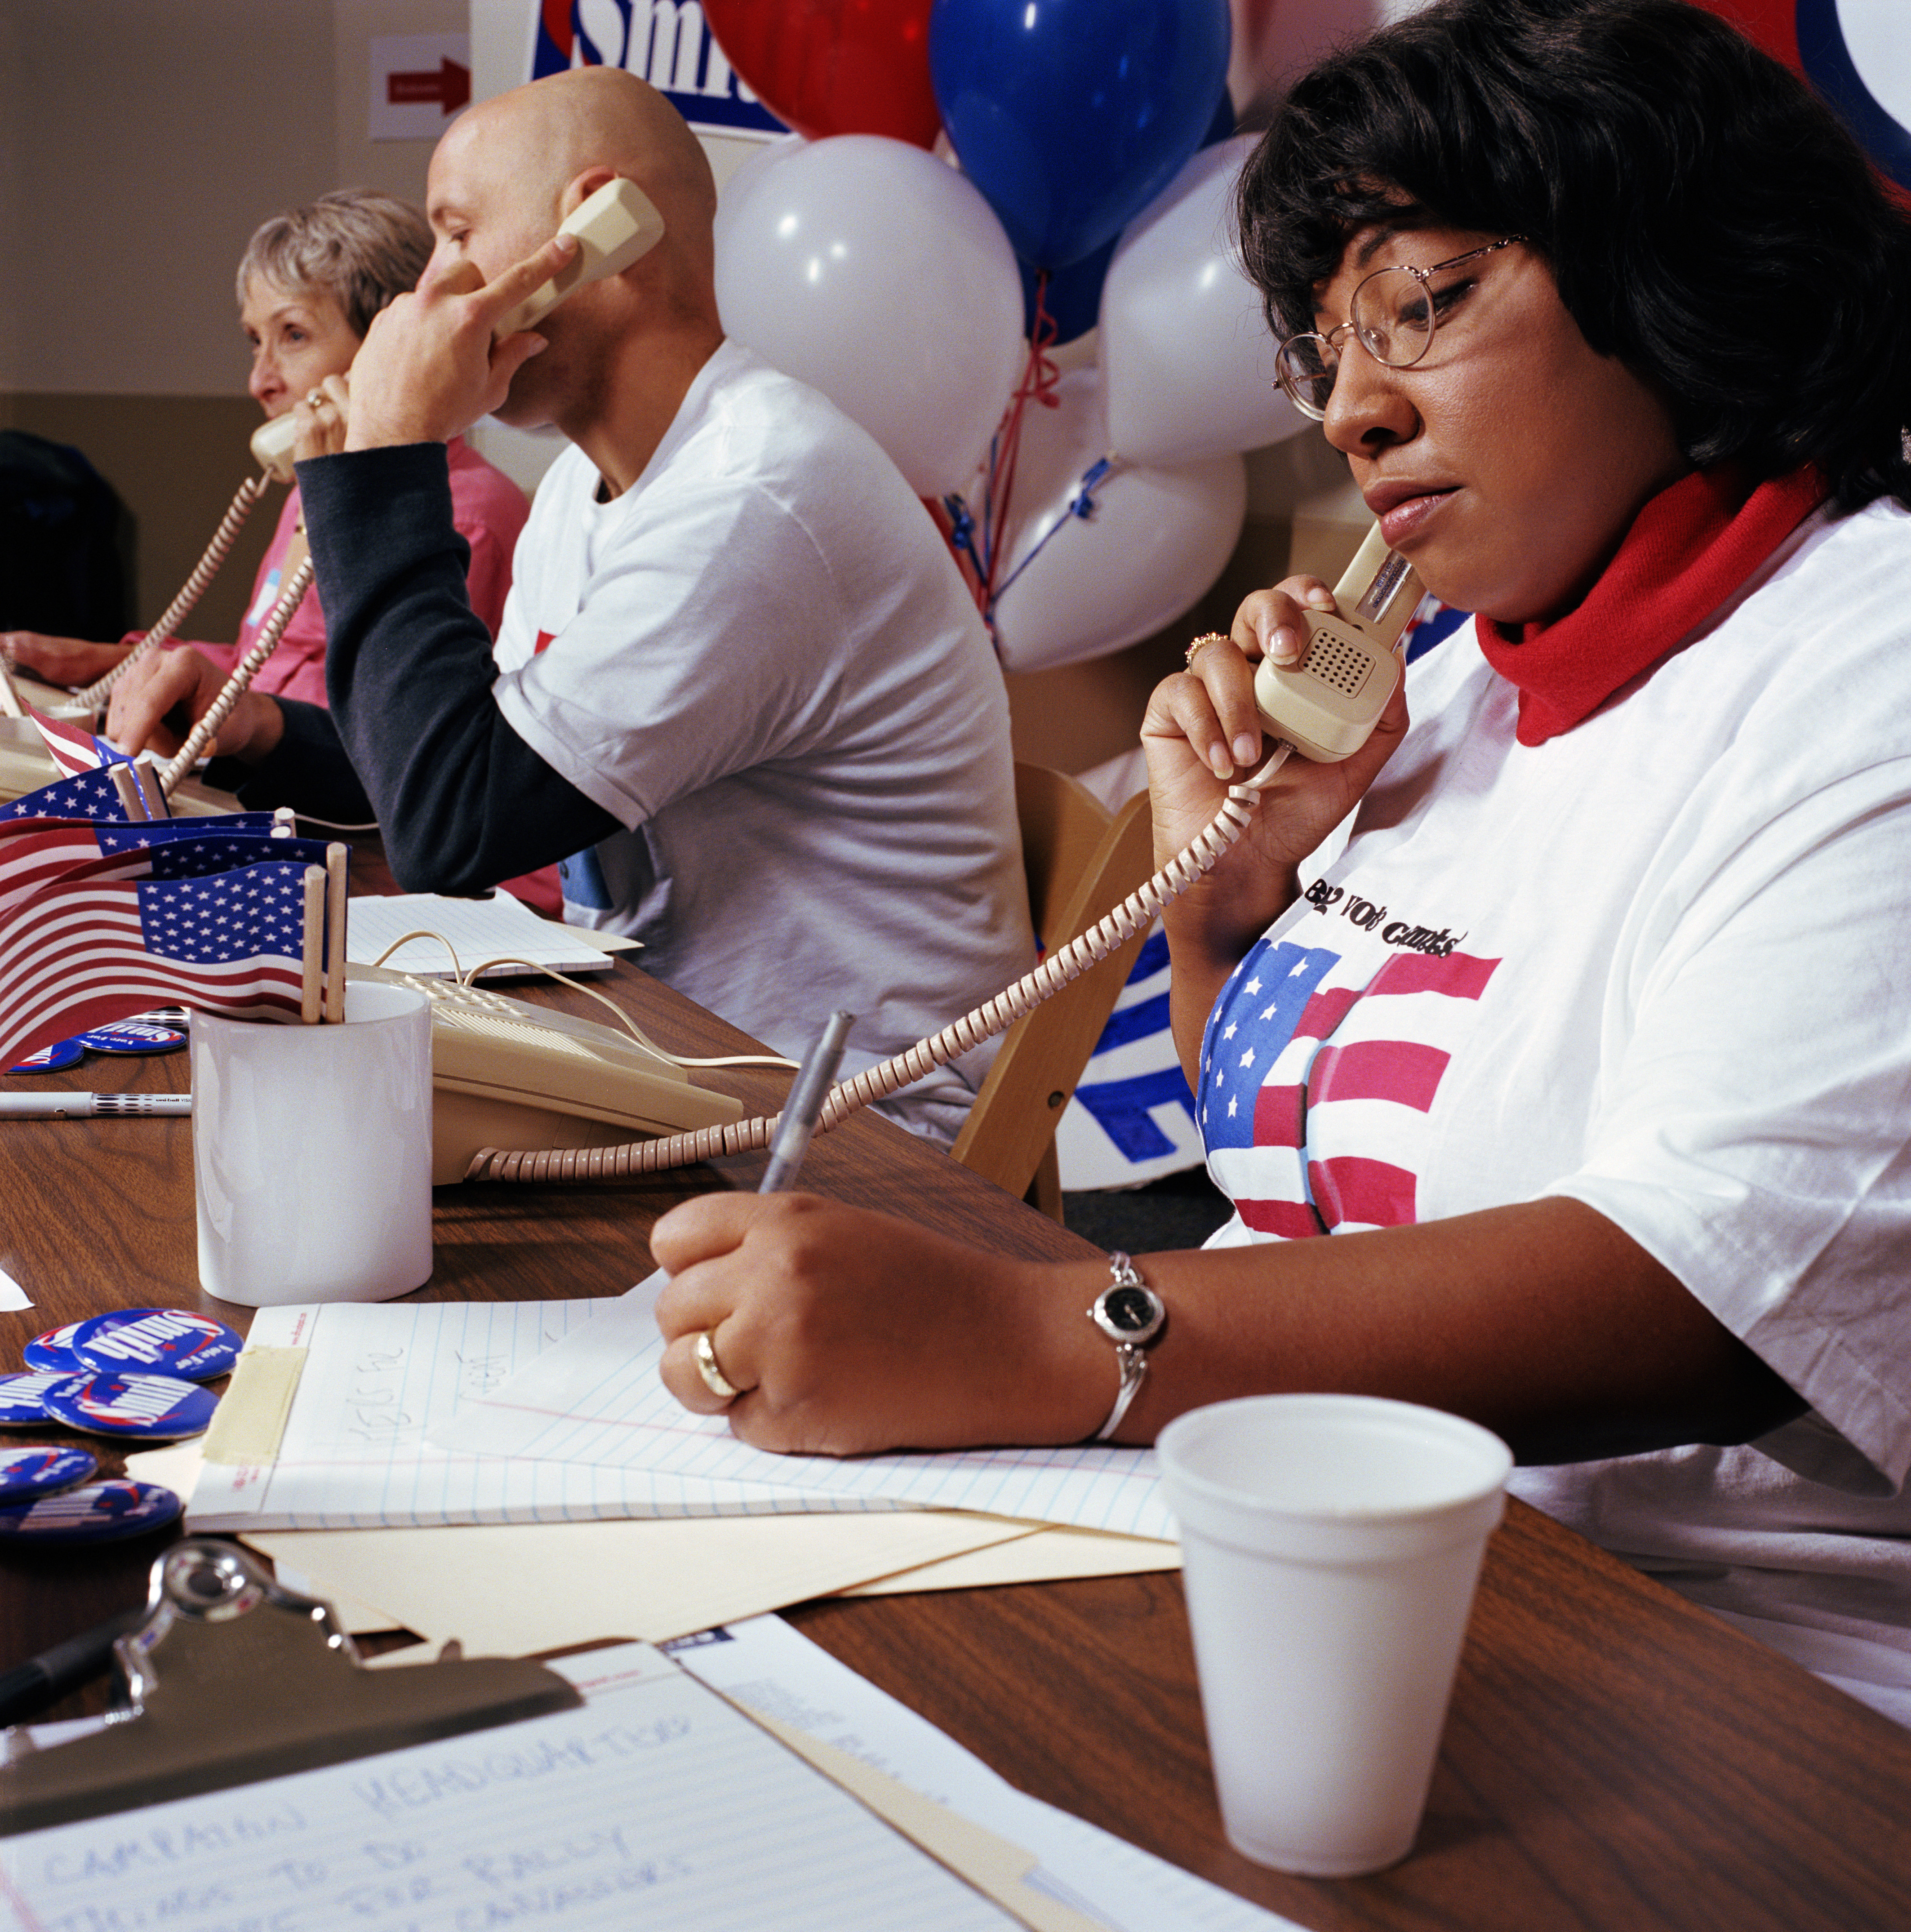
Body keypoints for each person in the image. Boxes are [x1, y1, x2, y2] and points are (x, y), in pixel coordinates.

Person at [643, 0, 1911, 1725]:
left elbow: (1694, 1287)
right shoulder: (1459, 671)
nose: (1353, 413)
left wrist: (1034, 1337)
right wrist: (1227, 911)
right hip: (1311, 1542)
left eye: (1428, 306)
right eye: (1328, 351)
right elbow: (1294, 1178)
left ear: (1680, 275)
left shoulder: (1865, 664)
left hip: (1703, 1678)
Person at [104, 68, 1031, 1144]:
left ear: (602, 231)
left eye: (456, 237)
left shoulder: (753, 498)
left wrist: (383, 460)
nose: (423, 299)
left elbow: (456, 830)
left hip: (850, 1130)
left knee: (283, 1167)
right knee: (249, 1113)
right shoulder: (582, 497)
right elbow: (457, 761)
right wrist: (261, 726)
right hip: (671, 1054)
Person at [1, 189, 528, 710]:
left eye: (294, 334)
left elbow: (392, 725)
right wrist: (91, 662)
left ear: (388, 345)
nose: (259, 380)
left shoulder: (465, 514)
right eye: (256, 339)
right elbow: (268, 668)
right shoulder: (314, 488)